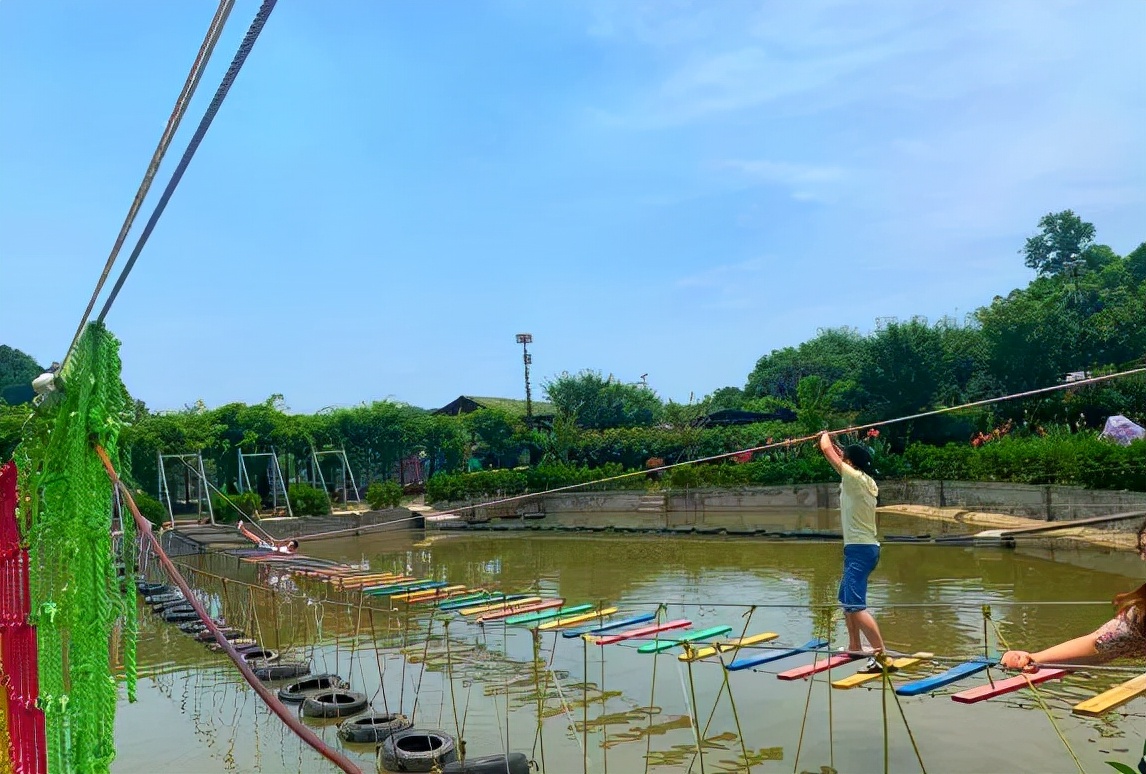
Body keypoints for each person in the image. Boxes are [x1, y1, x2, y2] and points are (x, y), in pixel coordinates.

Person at [818, 431, 889, 673]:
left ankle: (881, 657)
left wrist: (824, 436)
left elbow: (828, 451)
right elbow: (839, 453)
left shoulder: (853, 479)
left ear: (850, 463)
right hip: (863, 549)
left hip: (859, 550)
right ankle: (855, 645)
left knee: (855, 606)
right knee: (846, 599)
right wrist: (837, 444)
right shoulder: (866, 480)